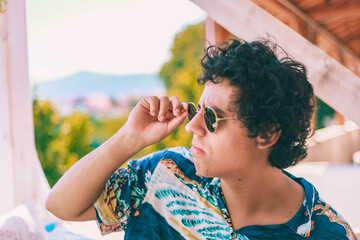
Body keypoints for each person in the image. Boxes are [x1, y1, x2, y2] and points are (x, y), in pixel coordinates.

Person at [46, 38, 357, 239]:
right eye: (197, 109)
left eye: (212, 117)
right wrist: (129, 138)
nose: (192, 126)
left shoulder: (325, 232)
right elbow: (62, 206)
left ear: (266, 134)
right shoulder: (166, 173)